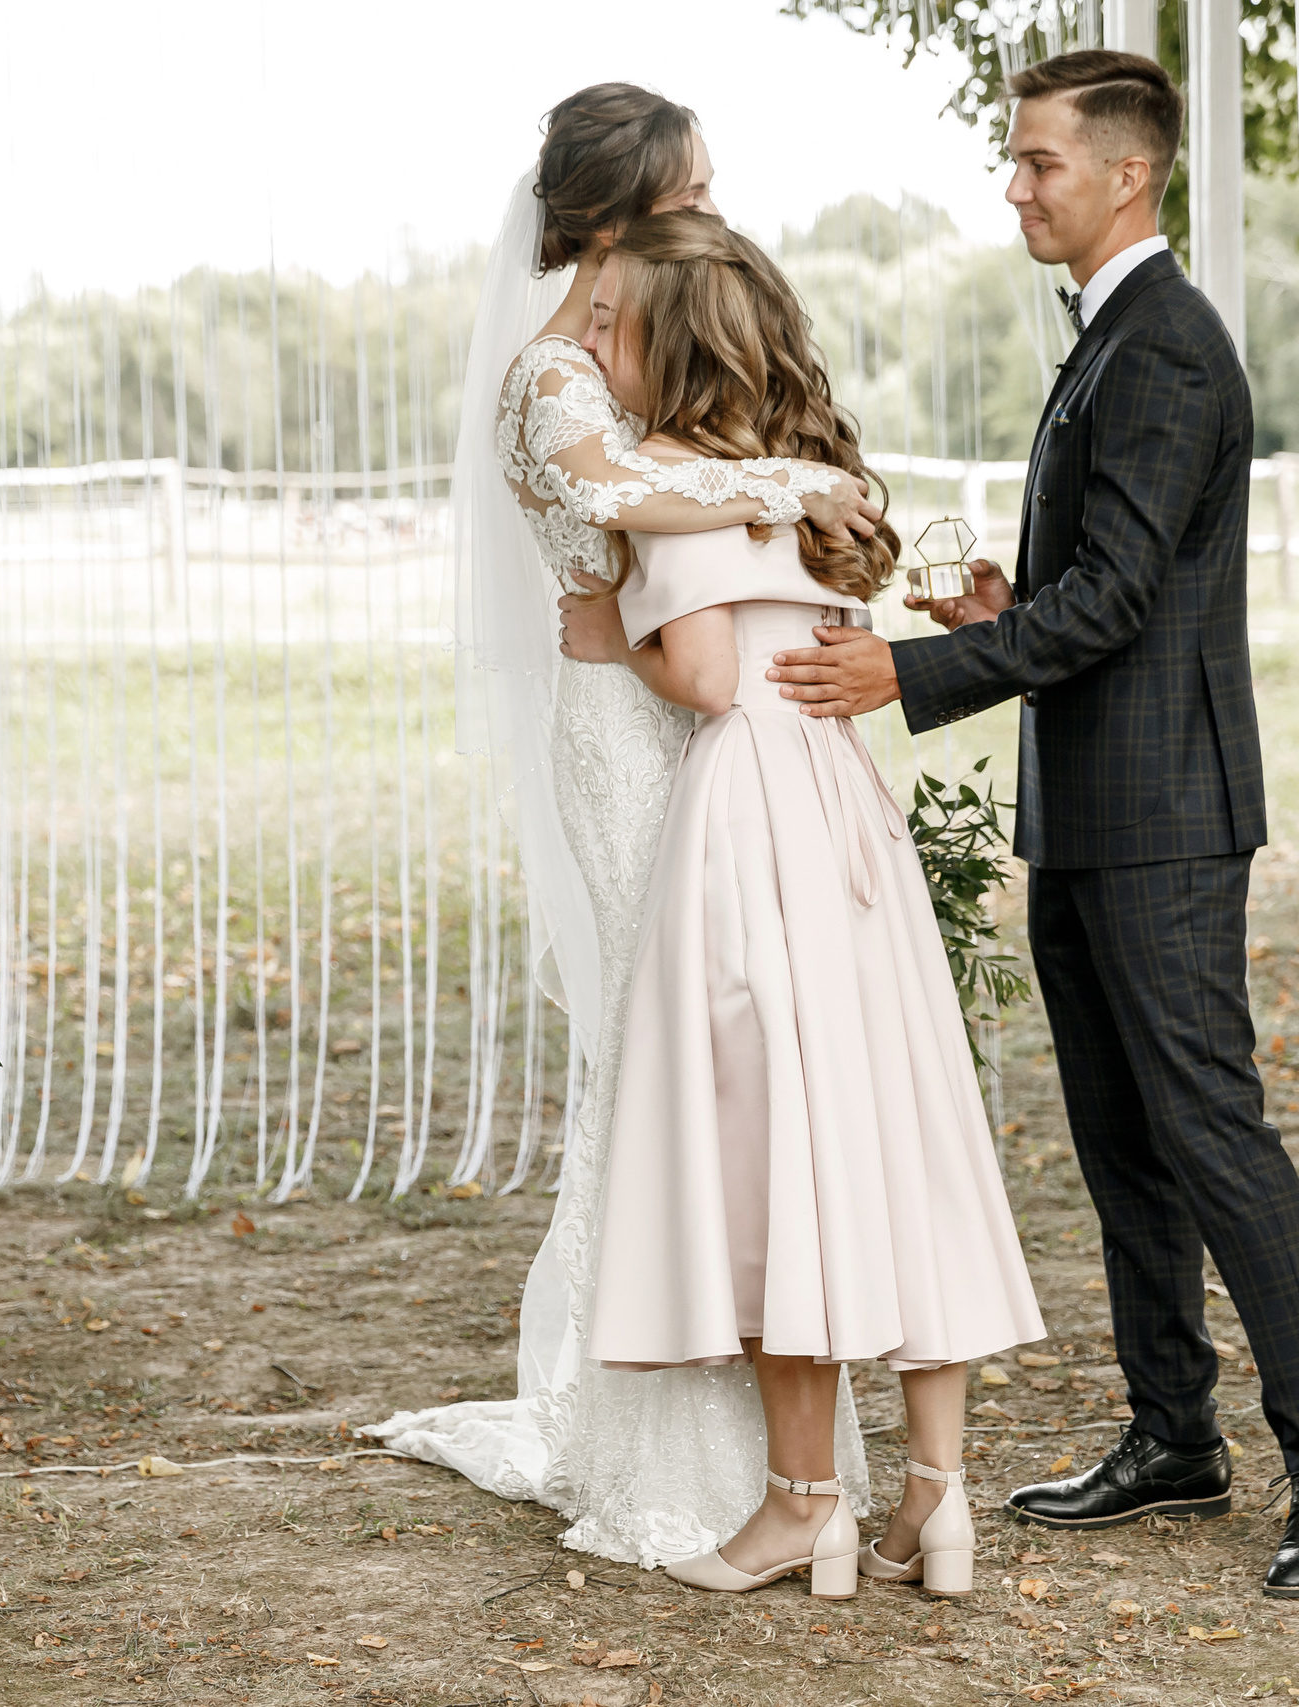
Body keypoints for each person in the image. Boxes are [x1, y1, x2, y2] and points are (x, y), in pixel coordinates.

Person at [759, 50, 1299, 1600]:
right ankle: (1174, 1438)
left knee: (1211, 1134)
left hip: (1165, 815)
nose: (1016, 185)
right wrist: (1005, 610)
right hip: (1094, 805)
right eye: (1016, 158)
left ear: (1127, 174)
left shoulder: (1166, 344)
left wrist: (904, 671)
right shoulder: (1112, 339)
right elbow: (1112, 586)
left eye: (1040, 160)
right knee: (1124, 1145)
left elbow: (1119, 602)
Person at [365, 84, 887, 1570]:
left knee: (737, 1055)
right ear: (616, 208)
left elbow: (688, 497)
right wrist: (798, 481)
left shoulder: (639, 345)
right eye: (690, 188)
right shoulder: (552, 381)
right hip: (627, 733)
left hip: (699, 708)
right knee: (668, 1050)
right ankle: (666, 1442)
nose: (712, 208)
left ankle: (778, 1448)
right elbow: (619, 491)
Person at [560, 211, 1043, 1600]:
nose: (594, 344)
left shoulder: (661, 479)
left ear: (674, 345)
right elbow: (826, 634)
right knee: (893, 1126)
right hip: (844, 808)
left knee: (776, 1144)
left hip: (750, 815)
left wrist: (619, 641)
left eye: (613, 325)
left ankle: (802, 1505)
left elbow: (713, 677)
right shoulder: (821, 476)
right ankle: (936, 1502)